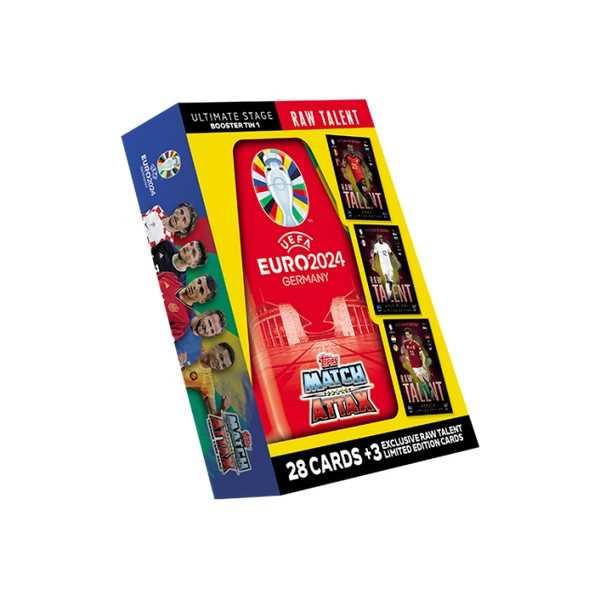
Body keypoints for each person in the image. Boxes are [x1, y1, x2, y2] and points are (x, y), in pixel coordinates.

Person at [157, 272, 216, 341]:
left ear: (202, 301)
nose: (196, 287)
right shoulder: (170, 276)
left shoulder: (182, 323)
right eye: (198, 281)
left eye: (201, 290)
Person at [182, 343, 236, 414]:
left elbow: (213, 416)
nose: (219, 364)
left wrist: (223, 409)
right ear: (215, 347)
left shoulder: (207, 383)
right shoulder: (195, 344)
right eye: (221, 357)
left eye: (223, 365)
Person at [400, 329, 433, 399]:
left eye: (408, 335)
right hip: (414, 366)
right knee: (421, 380)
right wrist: (407, 357)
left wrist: (423, 364)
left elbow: (422, 355)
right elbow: (405, 351)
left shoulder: (416, 344)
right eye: (406, 335)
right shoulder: (405, 343)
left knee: (426, 379)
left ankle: (429, 388)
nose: (407, 336)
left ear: (411, 335)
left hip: (420, 364)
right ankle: (429, 394)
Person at [371, 234, 398, 299]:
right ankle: (388, 295)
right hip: (383, 264)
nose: (381, 239)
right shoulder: (376, 245)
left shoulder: (386, 245)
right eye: (379, 238)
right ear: (378, 239)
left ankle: (390, 293)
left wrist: (396, 260)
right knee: (386, 279)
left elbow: (391, 253)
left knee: (390, 280)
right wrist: (373, 263)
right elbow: (374, 254)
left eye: (381, 238)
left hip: (389, 264)